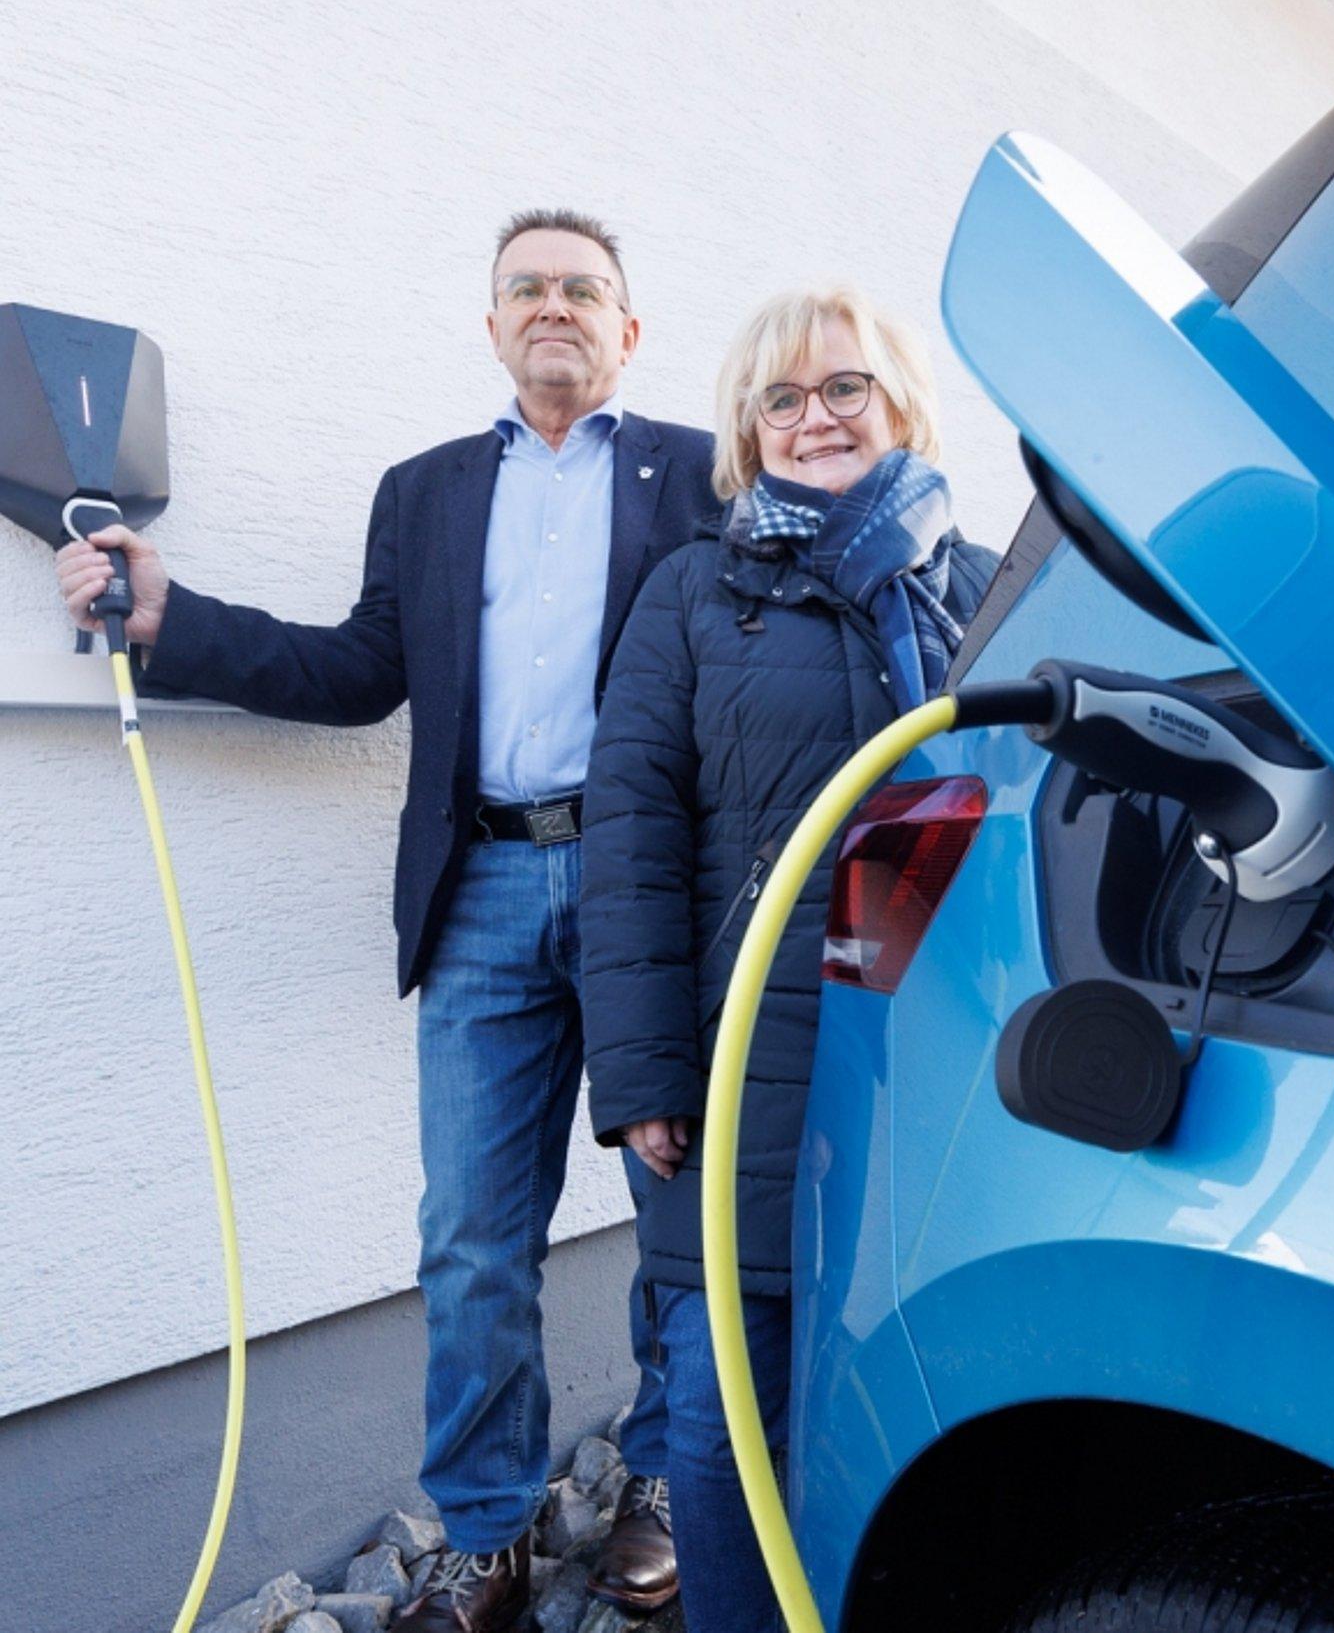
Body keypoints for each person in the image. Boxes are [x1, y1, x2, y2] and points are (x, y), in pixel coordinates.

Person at [54, 209, 708, 1633]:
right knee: (470, 1231)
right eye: (525, 287)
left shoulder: (700, 476)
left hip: (648, 891)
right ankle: (486, 1528)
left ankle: (669, 1474)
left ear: (628, 328)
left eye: (582, 289)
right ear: (489, 325)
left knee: (681, 1212)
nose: (553, 306)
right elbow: (358, 669)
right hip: (478, 887)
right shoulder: (423, 491)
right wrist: (174, 617)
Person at [579, 285, 998, 1633]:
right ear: (744, 430)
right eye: (780, 397)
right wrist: (641, 1064)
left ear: (899, 403)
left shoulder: (980, 587)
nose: (813, 418)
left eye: (843, 388)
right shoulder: (697, 590)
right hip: (744, 1058)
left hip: (932, 1064)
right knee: (717, 1412)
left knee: (912, 1389)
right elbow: (632, 827)